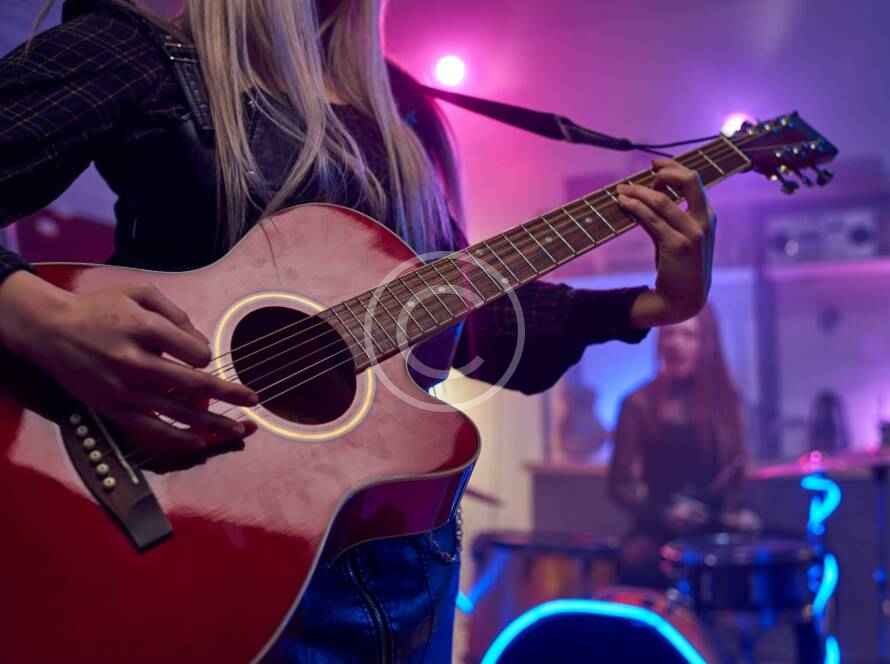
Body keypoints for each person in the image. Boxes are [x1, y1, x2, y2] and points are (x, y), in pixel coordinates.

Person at [0, 0, 716, 661]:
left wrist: (652, 305)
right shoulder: (146, 57)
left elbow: (464, 323)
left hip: (408, 569)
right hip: (195, 550)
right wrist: (45, 316)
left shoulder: (404, 117)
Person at [608, 303, 759, 588]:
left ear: (707, 343)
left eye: (688, 335)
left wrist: (736, 513)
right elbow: (619, 485)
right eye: (669, 334)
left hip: (716, 536)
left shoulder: (728, 403)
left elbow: (738, 476)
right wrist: (663, 513)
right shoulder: (638, 404)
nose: (675, 344)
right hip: (657, 538)